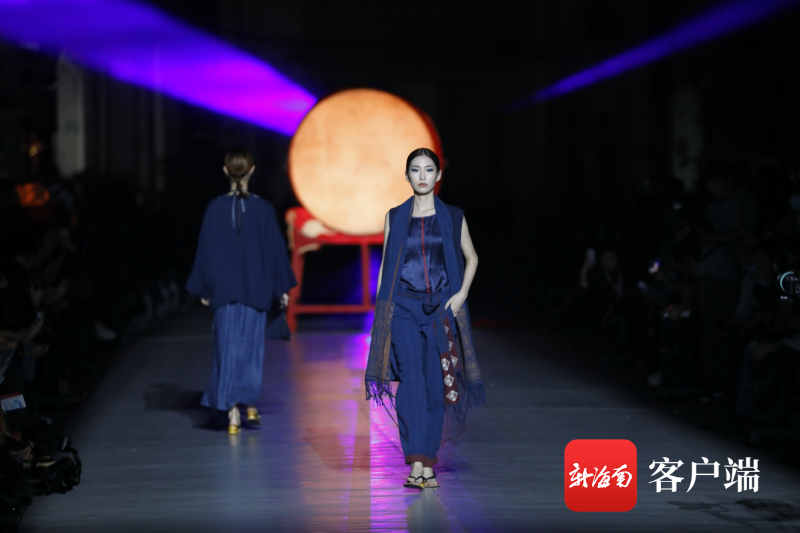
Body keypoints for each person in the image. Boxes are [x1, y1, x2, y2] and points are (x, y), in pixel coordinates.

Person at [365, 148, 486, 489]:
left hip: (441, 309)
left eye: (428, 169)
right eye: (415, 170)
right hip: (402, 306)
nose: (422, 176)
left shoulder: (454, 217)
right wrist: (382, 310)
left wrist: (461, 294)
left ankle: (427, 462)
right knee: (411, 383)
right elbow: (387, 265)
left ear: (438, 175)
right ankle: (415, 460)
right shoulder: (394, 216)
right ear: (406, 176)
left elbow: (472, 257)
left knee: (435, 383)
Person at [186, 150, 297, 435]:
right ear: (252, 171)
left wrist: (204, 286)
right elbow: (275, 252)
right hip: (256, 289)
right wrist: (281, 288)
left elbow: (206, 250)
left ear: (226, 171)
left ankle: (232, 410)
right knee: (250, 350)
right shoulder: (264, 209)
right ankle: (245, 404)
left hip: (224, 289)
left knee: (226, 349)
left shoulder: (214, 208)